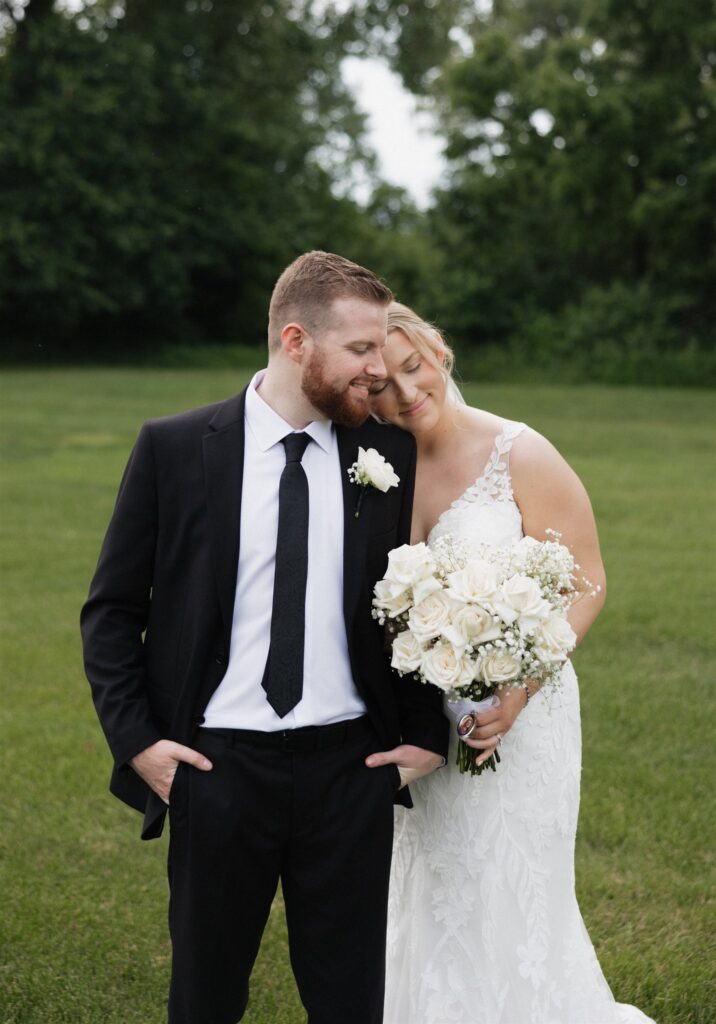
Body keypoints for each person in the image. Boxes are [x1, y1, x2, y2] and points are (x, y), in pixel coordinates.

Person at [80, 254, 449, 1024]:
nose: (378, 370)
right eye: (360, 350)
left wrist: (423, 737)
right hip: (217, 769)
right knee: (206, 999)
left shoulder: (385, 455)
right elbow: (112, 610)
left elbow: (409, 605)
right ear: (295, 341)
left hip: (352, 769)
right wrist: (138, 741)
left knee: (351, 1003)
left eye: (381, 348)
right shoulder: (175, 448)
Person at [368, 302, 655, 1024]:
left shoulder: (519, 452)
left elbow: (586, 582)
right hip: (423, 727)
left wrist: (519, 688)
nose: (405, 393)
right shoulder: (374, 468)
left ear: (440, 351)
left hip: (524, 717)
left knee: (509, 884)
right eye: (382, 384)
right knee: (435, 881)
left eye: (415, 366)